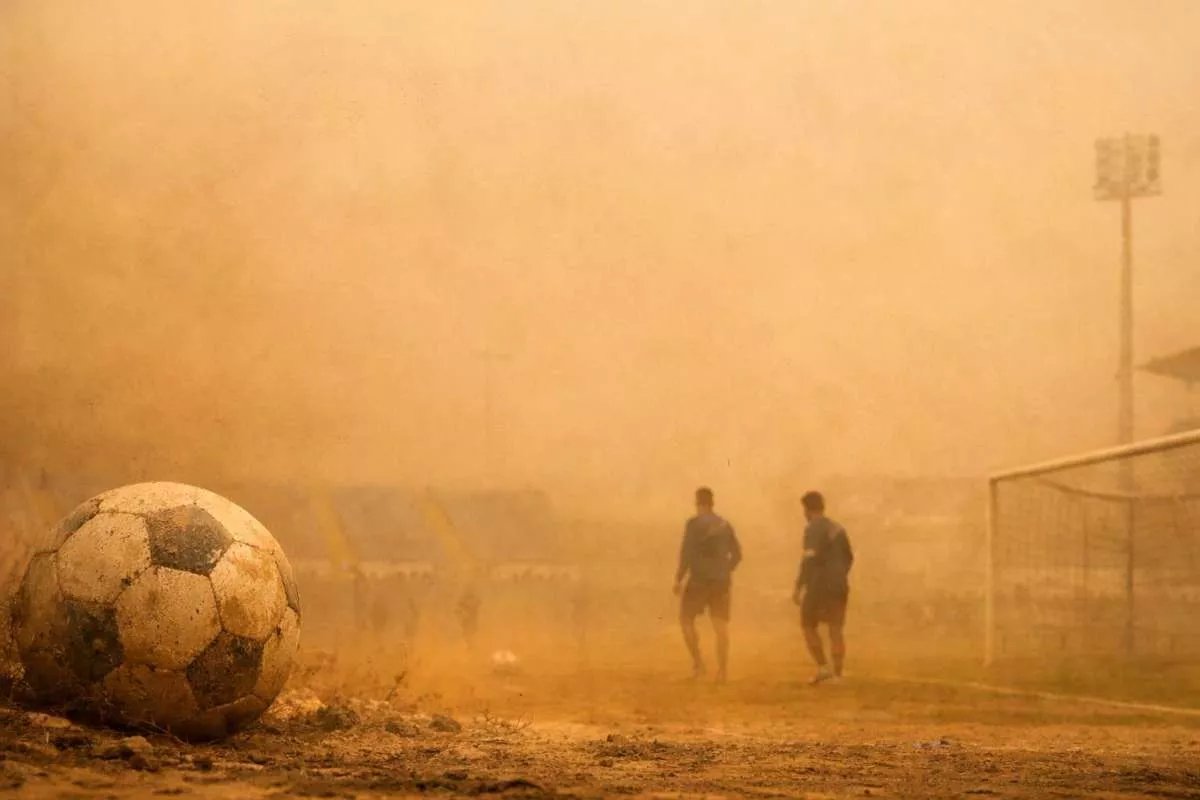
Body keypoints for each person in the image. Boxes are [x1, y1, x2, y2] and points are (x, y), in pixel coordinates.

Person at [674, 486, 743, 682]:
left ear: (698, 503)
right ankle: (722, 672)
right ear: (712, 503)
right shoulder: (725, 524)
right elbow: (737, 555)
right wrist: (724, 570)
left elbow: (686, 553)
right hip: (721, 582)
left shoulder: (694, 524)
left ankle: (699, 664)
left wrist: (678, 578)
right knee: (720, 626)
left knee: (686, 620)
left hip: (699, 580)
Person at [792, 490, 853, 684]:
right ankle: (838, 674)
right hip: (839, 585)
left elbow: (809, 559)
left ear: (807, 510)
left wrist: (799, 585)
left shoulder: (813, 528)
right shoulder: (838, 528)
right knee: (836, 629)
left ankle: (823, 668)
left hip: (819, 585)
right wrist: (839, 576)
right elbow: (849, 557)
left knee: (808, 625)